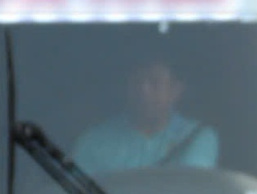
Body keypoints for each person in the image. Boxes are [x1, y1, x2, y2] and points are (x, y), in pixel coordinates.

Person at [72, 54, 217, 174]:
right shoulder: (94, 141)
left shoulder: (197, 136)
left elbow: (189, 193)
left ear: (175, 90)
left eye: (154, 83)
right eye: (137, 82)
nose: (144, 91)